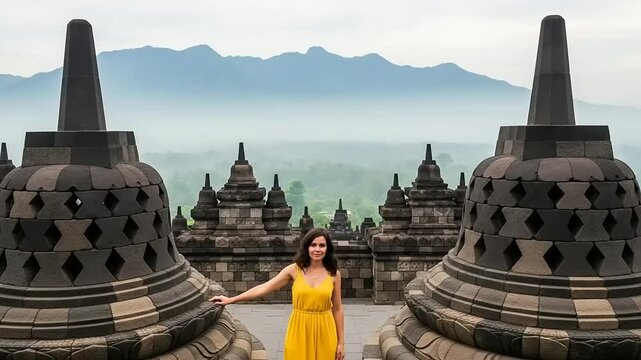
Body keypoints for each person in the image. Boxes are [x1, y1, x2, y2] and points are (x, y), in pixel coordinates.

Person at [209, 227, 345, 360]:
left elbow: (338, 309)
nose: (317, 249)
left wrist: (341, 343)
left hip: (326, 330)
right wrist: (231, 299)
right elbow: (264, 288)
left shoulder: (334, 274)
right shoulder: (294, 270)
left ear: (328, 249)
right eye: (313, 245)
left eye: (322, 245)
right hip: (299, 328)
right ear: (307, 247)